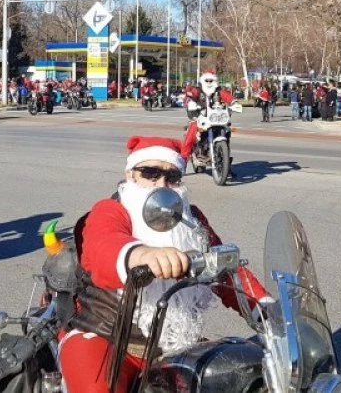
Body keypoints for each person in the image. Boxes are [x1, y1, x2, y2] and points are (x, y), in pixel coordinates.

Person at [60, 136, 271, 392]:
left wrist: (268, 310)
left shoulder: (191, 219)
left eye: (172, 177)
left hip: (175, 344)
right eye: (150, 173)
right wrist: (142, 255)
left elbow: (225, 268)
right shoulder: (112, 210)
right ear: (130, 175)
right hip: (107, 340)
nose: (161, 184)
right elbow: (102, 246)